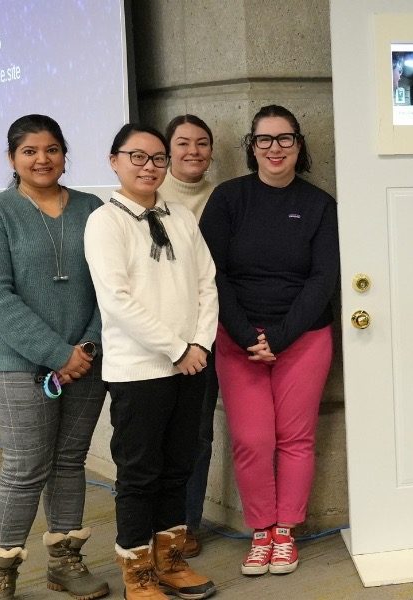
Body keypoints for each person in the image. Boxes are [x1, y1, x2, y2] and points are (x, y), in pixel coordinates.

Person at [0, 114, 110, 600]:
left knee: (70, 461)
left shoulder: (93, 208)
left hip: (87, 361)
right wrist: (56, 354)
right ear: (13, 159)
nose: (42, 159)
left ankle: (65, 562)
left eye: (51, 149)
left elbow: (108, 287)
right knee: (26, 465)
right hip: (18, 363)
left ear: (65, 155)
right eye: (29, 151)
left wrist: (85, 349)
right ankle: (1, 571)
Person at [198, 105, 339, 577]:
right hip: (238, 337)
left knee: (295, 438)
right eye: (264, 140)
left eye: (285, 139)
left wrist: (279, 336)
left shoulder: (320, 205)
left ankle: (286, 531)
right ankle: (260, 529)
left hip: (303, 336)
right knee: (253, 439)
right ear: (251, 147)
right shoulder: (228, 199)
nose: (275, 148)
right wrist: (246, 335)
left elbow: (323, 279)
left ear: (299, 145)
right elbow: (210, 274)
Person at [86, 123, 218, 600]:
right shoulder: (106, 221)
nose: (149, 166)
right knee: (140, 473)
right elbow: (117, 300)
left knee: (178, 467)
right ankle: (137, 574)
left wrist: (199, 345)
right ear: (114, 160)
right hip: (139, 371)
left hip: (190, 366)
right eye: (137, 157)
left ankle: (171, 561)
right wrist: (178, 348)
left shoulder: (180, 215)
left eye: (157, 158)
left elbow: (208, 282)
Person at [158, 114, 219, 558]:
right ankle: (149, 524)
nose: (193, 151)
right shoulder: (147, 196)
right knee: (151, 435)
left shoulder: (227, 196)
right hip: (154, 335)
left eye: (202, 143)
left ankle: (184, 522)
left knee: (197, 434)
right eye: (183, 143)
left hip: (204, 335)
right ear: (167, 151)